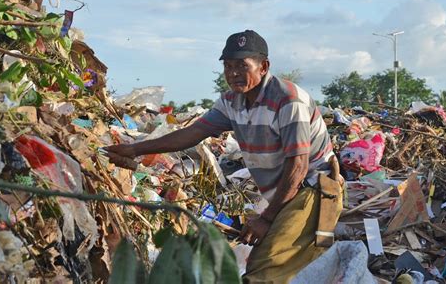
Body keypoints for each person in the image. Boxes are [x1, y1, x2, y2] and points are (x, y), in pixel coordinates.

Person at [105, 30, 341, 283]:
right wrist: (135, 149)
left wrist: (267, 217)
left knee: (265, 271)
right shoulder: (232, 101)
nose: (233, 73)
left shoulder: (287, 100)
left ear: (264, 66)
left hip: (312, 192)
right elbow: (195, 132)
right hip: (286, 194)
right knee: (271, 265)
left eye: (242, 65)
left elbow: (298, 166)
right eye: (228, 66)